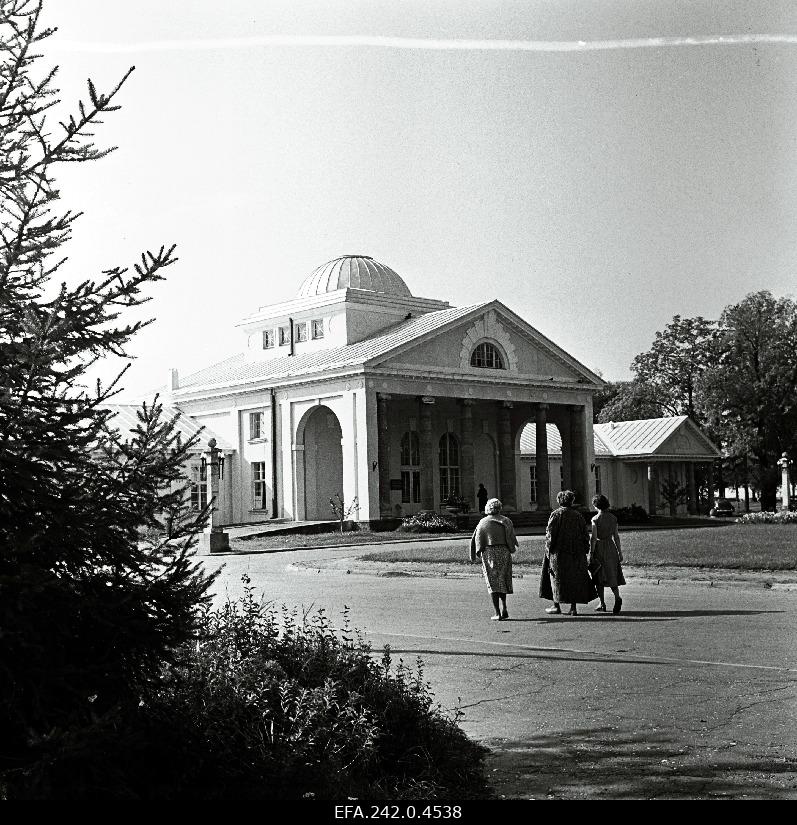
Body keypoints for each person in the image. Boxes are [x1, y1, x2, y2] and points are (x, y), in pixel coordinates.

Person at [539, 489, 597, 616]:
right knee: (574, 578)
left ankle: (556, 605)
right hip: (576, 552)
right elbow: (585, 535)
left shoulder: (556, 514)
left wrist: (548, 550)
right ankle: (573, 607)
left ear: (560, 501)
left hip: (559, 552)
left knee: (556, 578)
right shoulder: (578, 516)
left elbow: (550, 535)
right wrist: (585, 549)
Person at [470, 498, 519, 620]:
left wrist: (475, 554)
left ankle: (497, 613)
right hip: (504, 552)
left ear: (488, 508)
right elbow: (512, 537)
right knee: (502, 580)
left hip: (490, 553)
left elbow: (477, 539)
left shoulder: (483, 522)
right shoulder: (506, 521)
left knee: (492, 583)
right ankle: (504, 607)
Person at [589, 494, 626, 614]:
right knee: (612, 574)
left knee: (599, 576)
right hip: (611, 547)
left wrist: (591, 552)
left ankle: (602, 603)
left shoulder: (595, 519)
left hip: (600, 548)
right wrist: (620, 552)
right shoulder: (613, 518)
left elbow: (594, 538)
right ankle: (617, 597)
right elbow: (616, 536)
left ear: (596, 505)